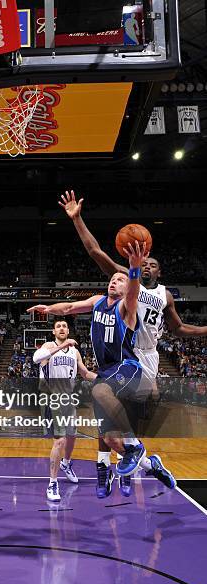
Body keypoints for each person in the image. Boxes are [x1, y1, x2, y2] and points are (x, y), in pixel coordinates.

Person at [58, 189, 207, 496]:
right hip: (121, 353)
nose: (147, 266)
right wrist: (78, 219)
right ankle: (106, 467)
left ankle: (137, 462)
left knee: (124, 419)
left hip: (146, 357)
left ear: (159, 271)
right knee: (106, 414)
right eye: (144, 263)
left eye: (152, 263)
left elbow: (178, 329)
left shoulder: (164, 295)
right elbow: (95, 252)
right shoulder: (127, 278)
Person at [29, 240, 177, 499]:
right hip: (108, 372)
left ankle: (133, 448)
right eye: (113, 279)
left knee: (99, 393)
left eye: (120, 281)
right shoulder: (98, 301)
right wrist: (47, 308)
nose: (114, 282)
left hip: (128, 367)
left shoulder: (126, 307)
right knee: (108, 437)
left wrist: (132, 270)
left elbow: (132, 292)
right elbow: (70, 308)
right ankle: (149, 464)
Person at [32, 319, 97, 502]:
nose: (61, 328)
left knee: (72, 435)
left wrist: (103, 379)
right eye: (58, 326)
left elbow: (84, 373)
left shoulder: (75, 351)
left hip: (68, 398)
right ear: (54, 331)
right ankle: (52, 483)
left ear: (68, 330)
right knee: (59, 440)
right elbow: (36, 358)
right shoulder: (48, 346)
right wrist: (62, 347)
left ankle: (66, 464)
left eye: (64, 326)